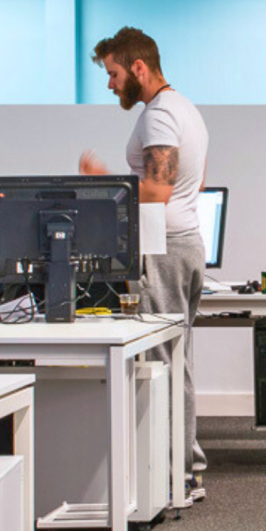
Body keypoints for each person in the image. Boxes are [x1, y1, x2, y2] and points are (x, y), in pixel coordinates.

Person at [79, 26, 211, 479]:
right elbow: (194, 183)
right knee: (176, 359)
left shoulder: (159, 115)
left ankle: (174, 474)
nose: (110, 84)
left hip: (163, 248)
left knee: (161, 361)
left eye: (114, 73)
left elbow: (156, 190)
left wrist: (103, 182)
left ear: (139, 67)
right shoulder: (186, 110)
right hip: (185, 243)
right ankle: (183, 467)